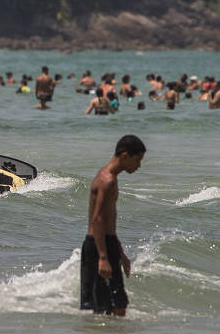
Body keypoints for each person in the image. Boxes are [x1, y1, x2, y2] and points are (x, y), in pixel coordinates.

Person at [81, 135, 146, 316]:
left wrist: (120, 254)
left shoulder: (110, 177)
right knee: (109, 308)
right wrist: (103, 257)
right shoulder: (107, 180)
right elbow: (98, 219)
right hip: (98, 245)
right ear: (125, 156)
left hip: (105, 242)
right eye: (137, 160)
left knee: (114, 307)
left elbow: (108, 223)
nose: (139, 166)